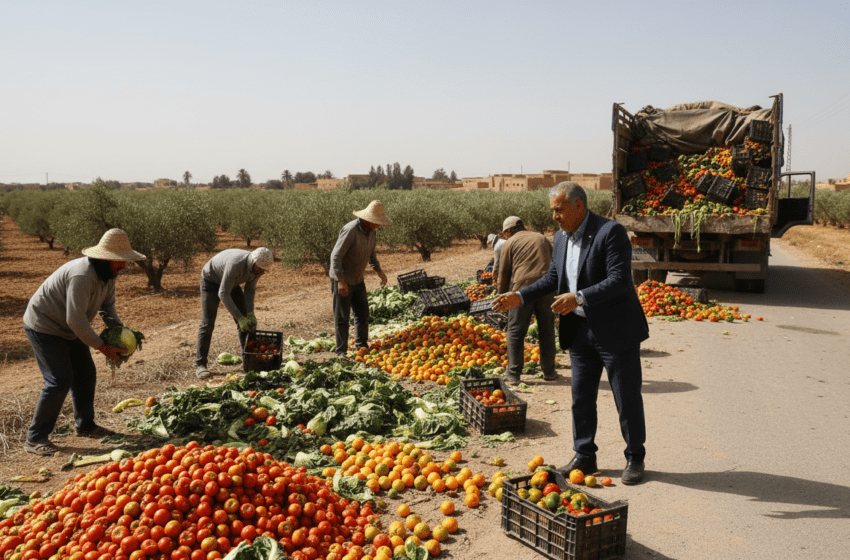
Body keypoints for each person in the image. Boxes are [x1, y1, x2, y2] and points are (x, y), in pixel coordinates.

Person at [493, 182, 649, 485]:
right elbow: (553, 278)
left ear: (579, 206)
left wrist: (577, 297)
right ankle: (584, 456)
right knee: (581, 398)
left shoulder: (610, 233)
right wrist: (520, 296)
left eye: (559, 210)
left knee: (626, 398)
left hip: (615, 329)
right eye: (553, 210)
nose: (555, 217)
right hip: (579, 331)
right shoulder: (561, 239)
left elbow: (619, 281)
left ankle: (634, 457)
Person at [22, 228, 146, 456]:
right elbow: (75, 319)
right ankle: (35, 437)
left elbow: (107, 308)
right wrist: (102, 346)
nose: (123, 266)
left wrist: (120, 331)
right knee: (59, 380)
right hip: (45, 326)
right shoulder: (82, 275)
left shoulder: (108, 276)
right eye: (119, 261)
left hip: (70, 328)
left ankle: (85, 425)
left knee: (86, 373)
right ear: (105, 258)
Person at [195, 247, 274, 379]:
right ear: (253, 262)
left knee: (245, 323)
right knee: (208, 323)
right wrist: (239, 317)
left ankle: (249, 362)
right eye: (259, 269)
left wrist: (249, 314)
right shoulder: (236, 265)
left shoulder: (258, 269)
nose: (261, 272)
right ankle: (200, 364)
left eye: (263, 270)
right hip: (211, 280)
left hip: (231, 282)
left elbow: (249, 291)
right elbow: (223, 293)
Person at [496, 216, 557, 384]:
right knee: (547, 329)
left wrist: (502, 299)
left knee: (515, 331)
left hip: (521, 290)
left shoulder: (508, 243)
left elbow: (504, 274)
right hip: (546, 289)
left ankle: (514, 374)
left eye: (505, 233)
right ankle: (549, 371)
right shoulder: (541, 237)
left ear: (509, 231)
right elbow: (555, 264)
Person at [329, 200, 392, 357]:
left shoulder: (371, 232)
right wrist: (341, 281)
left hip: (358, 278)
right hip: (343, 277)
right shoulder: (350, 230)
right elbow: (335, 256)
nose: (378, 225)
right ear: (368, 220)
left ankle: (361, 346)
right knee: (342, 316)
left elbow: (371, 254)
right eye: (376, 222)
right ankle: (341, 352)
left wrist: (379, 271)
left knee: (363, 314)